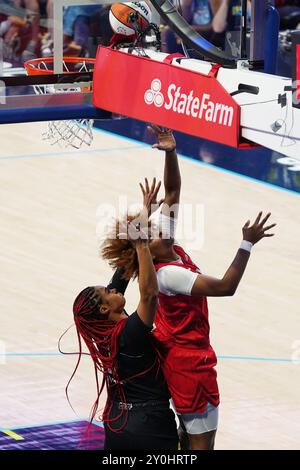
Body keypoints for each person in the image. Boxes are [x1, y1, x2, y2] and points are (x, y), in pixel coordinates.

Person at [102, 126, 276, 450]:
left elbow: (173, 193)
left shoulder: (166, 246)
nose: (156, 229)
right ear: (145, 251)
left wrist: (170, 152)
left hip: (179, 352)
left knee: (191, 438)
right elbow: (226, 287)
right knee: (202, 446)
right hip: (190, 361)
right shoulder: (168, 275)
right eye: (148, 234)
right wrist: (246, 243)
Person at [72, 196, 178, 451]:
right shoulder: (129, 334)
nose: (111, 288)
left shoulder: (103, 332)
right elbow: (149, 295)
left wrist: (144, 215)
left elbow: (122, 271)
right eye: (106, 291)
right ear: (104, 308)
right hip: (149, 425)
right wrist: (142, 247)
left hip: (119, 421)